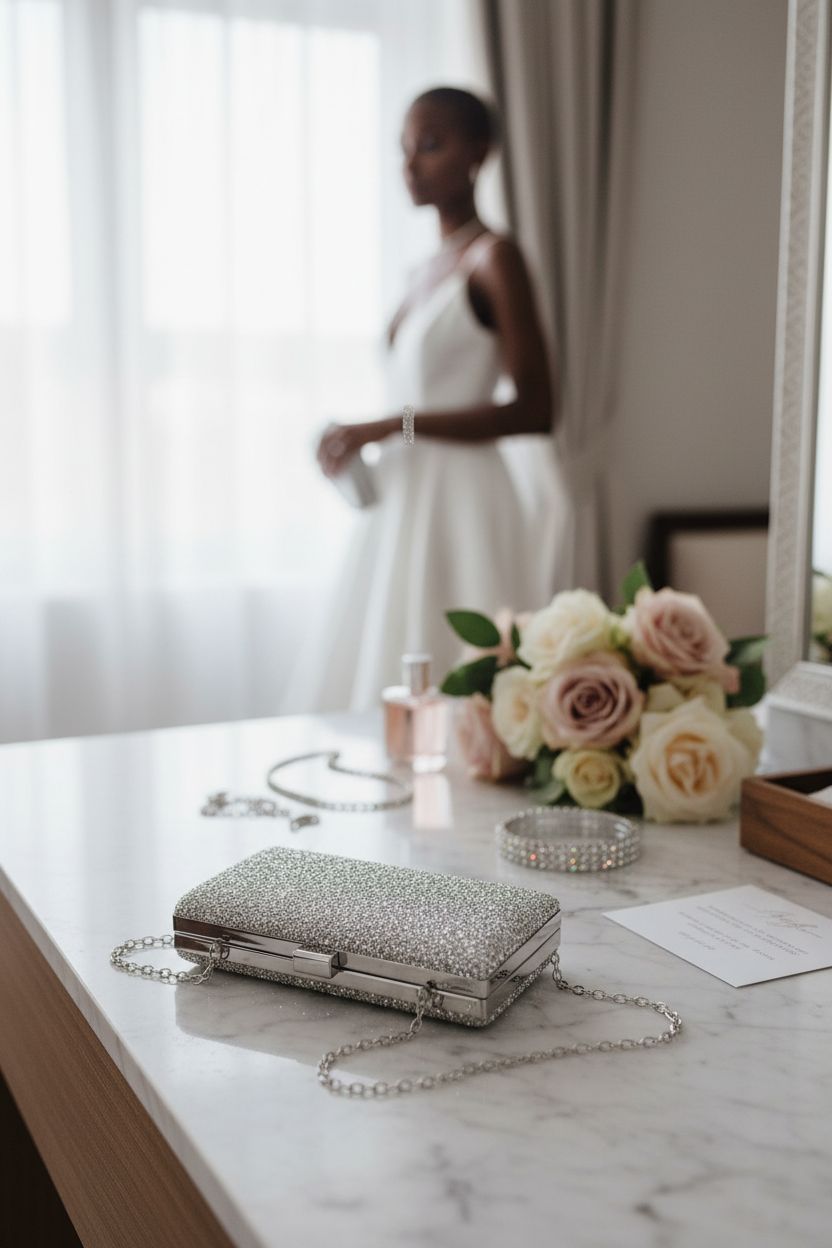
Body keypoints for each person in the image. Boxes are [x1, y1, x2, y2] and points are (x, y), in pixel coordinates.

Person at [281, 86, 557, 714]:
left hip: (464, 498)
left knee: (460, 680)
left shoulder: (496, 259)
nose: (410, 165)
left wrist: (389, 426)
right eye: (404, 148)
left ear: (477, 153)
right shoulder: (422, 271)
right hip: (403, 495)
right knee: (388, 660)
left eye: (430, 145)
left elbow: (537, 409)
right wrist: (363, 441)